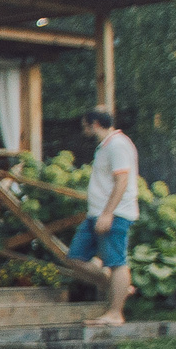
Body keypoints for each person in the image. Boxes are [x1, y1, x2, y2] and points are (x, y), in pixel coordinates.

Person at [67, 109, 140, 327]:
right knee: (75, 257)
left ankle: (115, 313)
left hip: (114, 213)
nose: (83, 129)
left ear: (95, 123)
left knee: (116, 262)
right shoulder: (105, 145)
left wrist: (108, 213)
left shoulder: (118, 144)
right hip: (96, 213)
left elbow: (122, 181)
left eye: (85, 125)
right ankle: (121, 288)